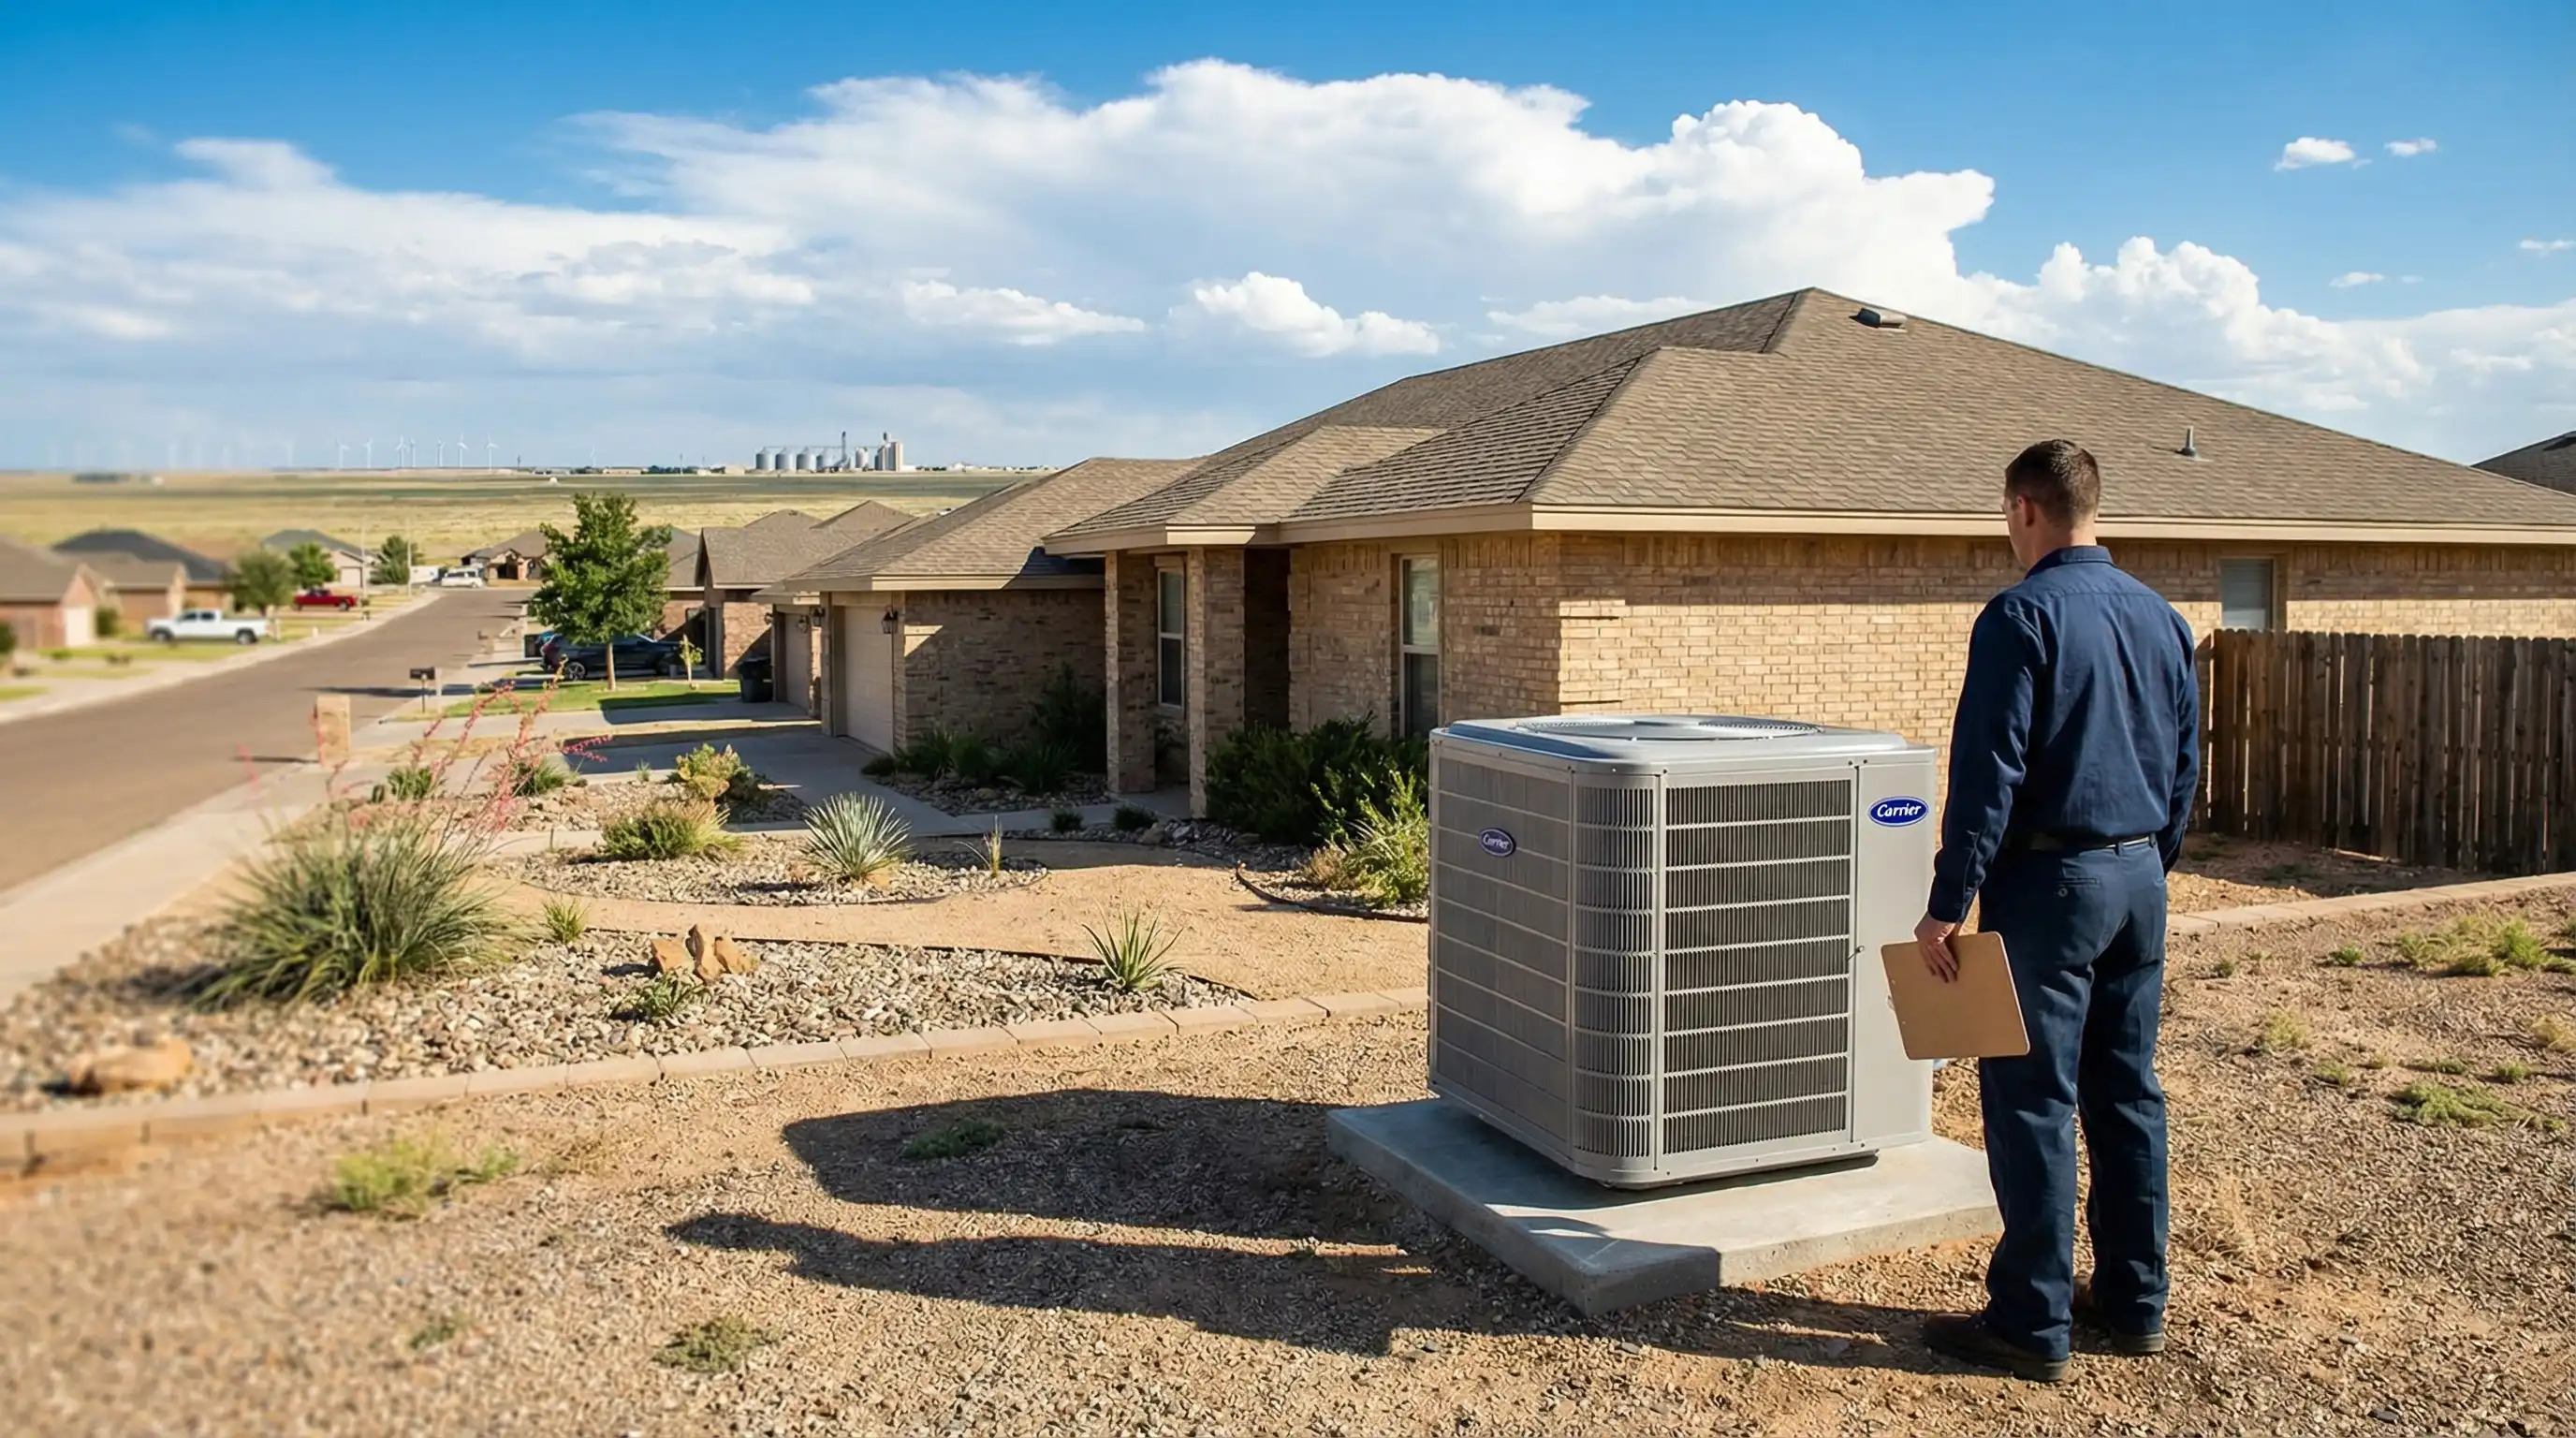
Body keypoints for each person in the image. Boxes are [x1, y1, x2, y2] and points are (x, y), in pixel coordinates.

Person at [1912, 439, 2202, 1384]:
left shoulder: (2018, 617)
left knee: (2032, 1099)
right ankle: (2132, 1302)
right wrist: (2150, 865)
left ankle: (2029, 1324)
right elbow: (2185, 760)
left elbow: (1988, 773)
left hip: (2050, 890)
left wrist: (1947, 903)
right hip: (2137, 881)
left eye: (2005, 516)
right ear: (2093, 509)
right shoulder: (2159, 618)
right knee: (2127, 1094)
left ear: (2024, 510)